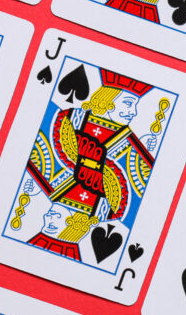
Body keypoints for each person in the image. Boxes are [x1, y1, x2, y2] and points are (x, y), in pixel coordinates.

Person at [16, 68, 161, 260]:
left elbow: (136, 199)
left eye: (134, 106)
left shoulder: (132, 152)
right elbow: (41, 147)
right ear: (108, 102)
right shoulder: (66, 121)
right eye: (128, 103)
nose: (133, 112)